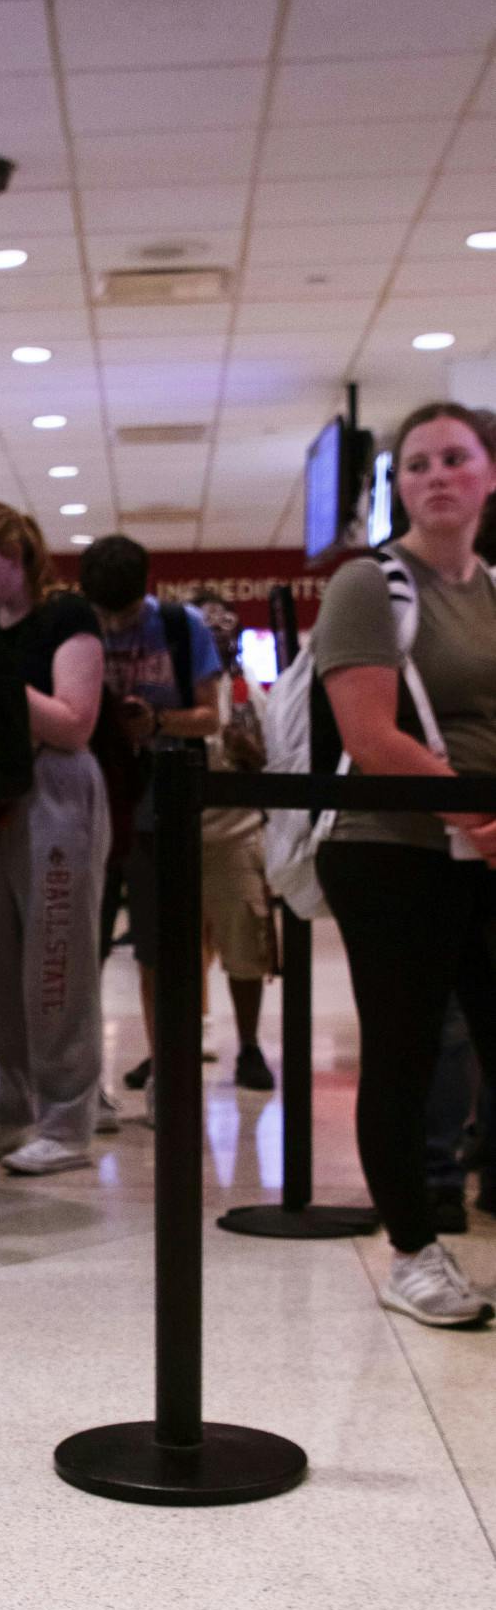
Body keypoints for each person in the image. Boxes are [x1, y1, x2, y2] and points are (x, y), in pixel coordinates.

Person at [313, 400, 496, 1328]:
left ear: (487, 474)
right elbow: (370, 735)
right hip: (393, 849)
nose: (434, 476)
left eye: (453, 458)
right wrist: (479, 813)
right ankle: (411, 1250)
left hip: (483, 852)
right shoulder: (369, 583)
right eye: (415, 464)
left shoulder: (493, 588)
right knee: (405, 1049)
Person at [0, 502, 108, 1175]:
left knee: (55, 965)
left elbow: (73, 723)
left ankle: (68, 1119)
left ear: (18, 555)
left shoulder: (66, 618)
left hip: (56, 795)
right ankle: (13, 1114)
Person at [79, 536, 222, 1120]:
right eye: (104, 613)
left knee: (161, 951)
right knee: (78, 947)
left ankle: (168, 1073)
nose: (113, 624)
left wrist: (158, 720)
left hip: (163, 809)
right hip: (92, 803)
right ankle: (82, 1085)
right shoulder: (76, 626)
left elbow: (211, 716)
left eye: (123, 612)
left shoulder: (181, 626)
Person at [194, 589, 276, 1093]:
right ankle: (169, 1052)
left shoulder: (248, 692)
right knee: (169, 957)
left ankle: (248, 1046)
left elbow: (276, 759)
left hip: (236, 837)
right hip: (176, 837)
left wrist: (254, 754)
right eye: (207, 627)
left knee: (247, 948)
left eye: (226, 627)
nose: (218, 635)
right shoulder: (174, 689)